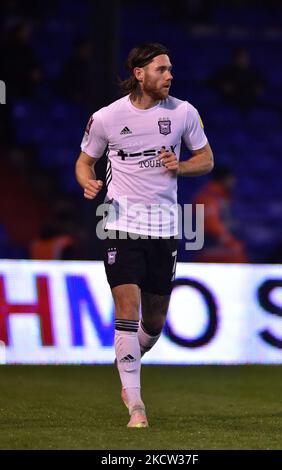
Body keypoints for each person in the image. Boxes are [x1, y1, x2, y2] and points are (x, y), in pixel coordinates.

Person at [75, 43, 214, 428]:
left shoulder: (184, 113)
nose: (170, 75)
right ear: (139, 73)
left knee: (154, 321)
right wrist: (87, 182)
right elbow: (85, 162)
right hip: (120, 223)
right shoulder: (105, 118)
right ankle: (136, 404)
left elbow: (207, 159)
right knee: (127, 307)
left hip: (166, 228)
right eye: (162, 69)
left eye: (170, 69)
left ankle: (127, 357)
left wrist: (181, 167)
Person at [193, 166, 248, 263]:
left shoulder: (223, 196)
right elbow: (212, 224)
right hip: (210, 247)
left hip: (220, 245)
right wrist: (231, 243)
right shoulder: (209, 196)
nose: (234, 181)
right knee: (238, 257)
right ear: (225, 179)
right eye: (232, 178)